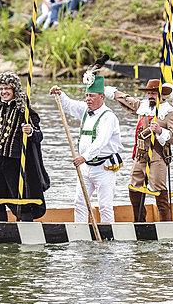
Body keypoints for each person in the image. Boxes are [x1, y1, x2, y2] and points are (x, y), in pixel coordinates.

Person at [0, 51, 49, 222]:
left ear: (14, 90)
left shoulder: (25, 111)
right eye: (1, 89)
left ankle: (25, 225)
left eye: (7, 89)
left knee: (20, 197)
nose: (3, 92)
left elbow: (39, 137)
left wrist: (30, 131)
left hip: (15, 162)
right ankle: (1, 226)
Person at [50, 62, 123, 224]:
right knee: (80, 203)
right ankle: (80, 234)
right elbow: (68, 105)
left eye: (92, 96)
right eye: (86, 96)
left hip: (104, 168)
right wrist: (59, 94)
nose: (88, 99)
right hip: (85, 167)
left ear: (101, 97)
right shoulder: (84, 109)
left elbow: (100, 142)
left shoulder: (108, 117)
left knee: (104, 205)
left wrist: (83, 156)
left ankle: (108, 240)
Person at [108, 79, 173, 222]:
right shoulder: (143, 107)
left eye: (154, 93)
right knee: (134, 189)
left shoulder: (169, 112)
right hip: (139, 156)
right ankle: (139, 221)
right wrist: (109, 91)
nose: (150, 96)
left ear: (160, 94)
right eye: (149, 93)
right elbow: (127, 100)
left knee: (160, 192)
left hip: (158, 157)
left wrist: (161, 131)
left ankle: (165, 224)